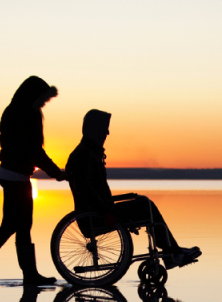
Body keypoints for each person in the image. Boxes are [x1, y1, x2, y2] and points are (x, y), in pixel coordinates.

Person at [0, 76, 67, 286]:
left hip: (10, 173)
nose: (45, 102)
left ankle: (23, 273)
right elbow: (34, 151)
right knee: (15, 225)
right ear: (34, 95)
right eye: (43, 98)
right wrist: (56, 172)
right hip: (16, 176)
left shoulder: (14, 110)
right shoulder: (27, 113)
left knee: (15, 226)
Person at [66, 110, 201, 269]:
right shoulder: (85, 155)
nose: (107, 133)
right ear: (95, 129)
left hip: (98, 211)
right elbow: (86, 189)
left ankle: (172, 251)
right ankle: (172, 252)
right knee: (145, 205)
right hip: (96, 215)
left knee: (144, 204)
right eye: (105, 128)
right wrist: (106, 211)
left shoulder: (88, 153)